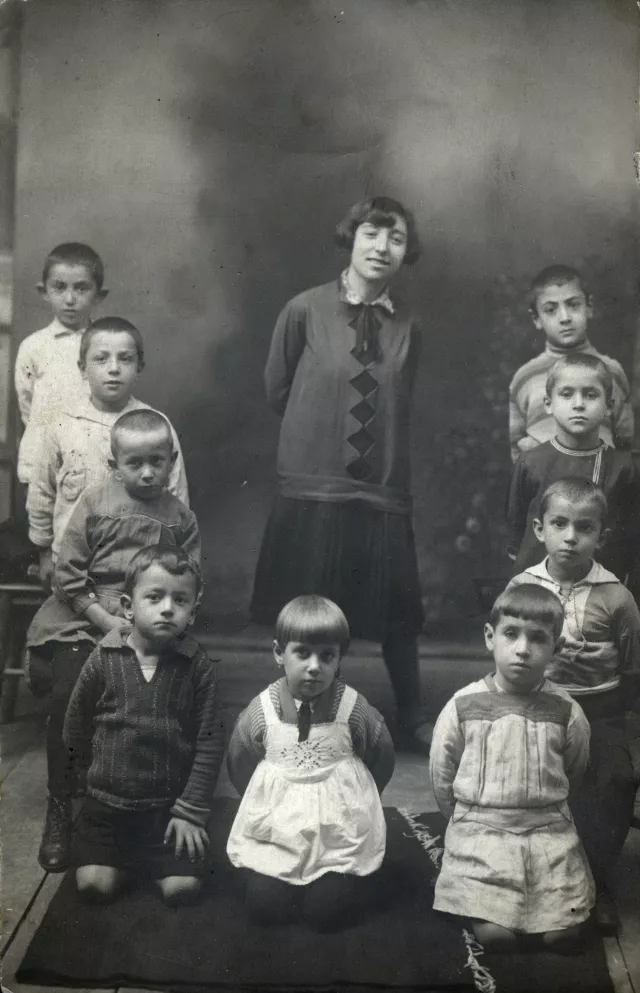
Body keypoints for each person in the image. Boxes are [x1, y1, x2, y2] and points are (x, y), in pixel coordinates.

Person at [251, 197, 430, 751]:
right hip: (314, 483)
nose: (382, 247)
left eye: (396, 238)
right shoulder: (303, 310)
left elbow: (403, 396)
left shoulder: (409, 326)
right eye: (372, 233)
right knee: (304, 609)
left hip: (381, 490)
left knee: (395, 611)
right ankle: (288, 718)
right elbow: (277, 389)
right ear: (351, 239)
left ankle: (413, 714)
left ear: (406, 253)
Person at [29, 409, 200, 874]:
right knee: (71, 690)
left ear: (171, 461)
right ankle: (61, 804)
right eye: (135, 462)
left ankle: (155, 803)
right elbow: (68, 575)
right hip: (84, 615)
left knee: (176, 685)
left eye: (157, 462)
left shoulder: (180, 518)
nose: (147, 472)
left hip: (152, 615)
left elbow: (188, 582)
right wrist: (107, 621)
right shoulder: (94, 502)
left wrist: (156, 620)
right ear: (114, 463)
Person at [430, 584, 594, 953]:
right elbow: (442, 774)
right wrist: (463, 821)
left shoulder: (566, 711)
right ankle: (484, 906)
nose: (522, 649)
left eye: (538, 638)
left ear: (557, 647)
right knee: (497, 937)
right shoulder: (463, 705)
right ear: (491, 638)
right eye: (511, 634)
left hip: (547, 834)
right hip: (482, 834)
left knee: (562, 934)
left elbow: (575, 769)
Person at [509, 478, 640, 934]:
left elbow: (631, 669)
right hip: (535, 705)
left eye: (583, 528)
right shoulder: (523, 586)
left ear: (601, 537)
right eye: (559, 524)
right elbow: (504, 654)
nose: (570, 537)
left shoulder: (616, 597)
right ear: (539, 528)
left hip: (598, 706)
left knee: (615, 780)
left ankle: (597, 881)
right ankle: (521, 874)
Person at [63, 545, 223, 905]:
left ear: (193, 612)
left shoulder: (196, 665)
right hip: (106, 807)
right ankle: (115, 858)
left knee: (182, 890)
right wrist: (86, 782)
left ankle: (155, 859)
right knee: (93, 886)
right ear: (128, 606)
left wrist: (192, 810)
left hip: (168, 808)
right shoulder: (103, 658)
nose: (167, 608)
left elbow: (210, 740)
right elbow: (75, 726)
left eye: (180, 600)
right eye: (154, 597)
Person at [226, 595, 395, 931]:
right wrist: (267, 793)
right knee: (265, 908)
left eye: (327, 656)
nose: (314, 666)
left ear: (339, 660)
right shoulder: (262, 711)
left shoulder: (353, 709)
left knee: (327, 914)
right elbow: (239, 760)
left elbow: (382, 756)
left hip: (337, 830)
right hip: (279, 826)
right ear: (279, 653)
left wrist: (359, 795)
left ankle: (343, 880)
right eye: (302, 653)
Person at [27, 317, 189, 591]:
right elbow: (42, 492)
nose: (113, 369)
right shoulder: (61, 424)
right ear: (82, 368)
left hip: (138, 565)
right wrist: (44, 555)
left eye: (125, 359)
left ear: (139, 367)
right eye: (101, 359)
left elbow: (177, 495)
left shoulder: (156, 425)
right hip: (72, 566)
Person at [506, 353, 639, 576]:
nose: (578, 404)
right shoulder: (530, 462)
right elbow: (515, 525)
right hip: (538, 586)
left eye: (590, 395)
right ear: (548, 404)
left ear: (608, 406)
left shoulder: (623, 468)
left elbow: (630, 537)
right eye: (567, 394)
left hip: (598, 586)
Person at [508, 264, 633, 463]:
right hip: (546, 487)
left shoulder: (612, 371)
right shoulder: (525, 377)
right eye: (551, 310)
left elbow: (626, 443)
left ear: (589, 307)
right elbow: (518, 450)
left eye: (573, 305)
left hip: (598, 483)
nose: (564, 318)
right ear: (536, 318)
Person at [15, 243, 108, 487]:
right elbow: (27, 405)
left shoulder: (107, 345)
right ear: (44, 291)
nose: (69, 299)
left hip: (91, 465)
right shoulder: (33, 346)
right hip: (42, 466)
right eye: (59, 287)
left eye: (81, 289)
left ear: (99, 295)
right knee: (41, 524)